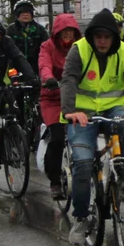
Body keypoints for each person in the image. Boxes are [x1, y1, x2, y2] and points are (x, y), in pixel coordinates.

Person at [61, 9, 124, 245]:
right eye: (99, 37)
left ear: (115, 38)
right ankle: (82, 217)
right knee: (84, 163)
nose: (103, 41)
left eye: (107, 37)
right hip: (81, 112)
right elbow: (69, 80)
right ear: (92, 36)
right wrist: (69, 111)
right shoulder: (79, 50)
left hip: (114, 107)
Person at [38, 13, 81, 200]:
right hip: (53, 97)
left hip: (75, 97)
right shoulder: (46, 47)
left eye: (71, 31)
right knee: (57, 136)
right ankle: (54, 180)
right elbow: (44, 65)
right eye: (64, 31)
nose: (68, 34)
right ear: (56, 32)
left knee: (86, 133)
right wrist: (48, 79)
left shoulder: (80, 47)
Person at [5, 0, 49, 69]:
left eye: (28, 12)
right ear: (17, 14)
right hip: (16, 67)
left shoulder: (40, 29)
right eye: (22, 12)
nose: (25, 14)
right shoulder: (11, 30)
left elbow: (47, 49)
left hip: (36, 67)